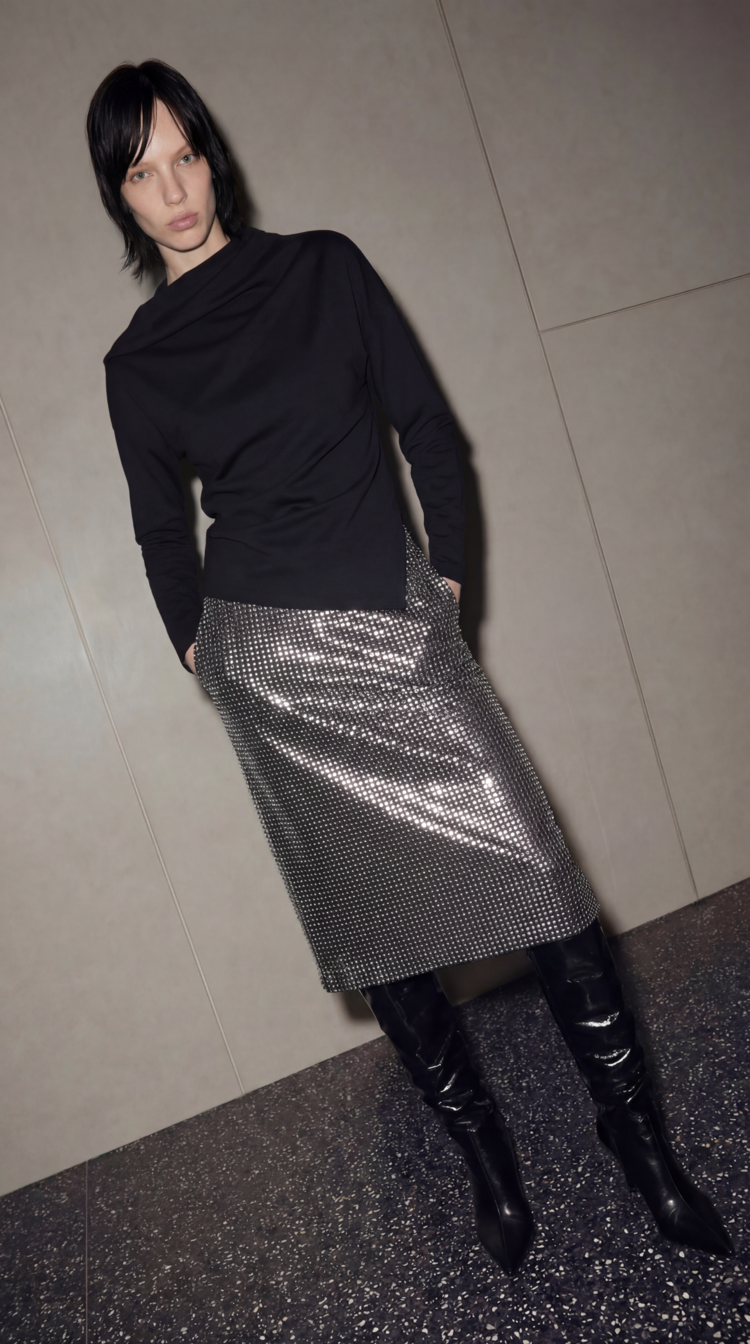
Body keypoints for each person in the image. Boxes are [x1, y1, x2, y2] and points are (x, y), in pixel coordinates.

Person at [86, 59, 732, 1275]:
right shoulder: (138, 365)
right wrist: (202, 649)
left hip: (393, 625)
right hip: (274, 672)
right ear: (117, 196)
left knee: (547, 888)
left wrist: (449, 587)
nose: (173, 189)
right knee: (379, 937)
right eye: (141, 172)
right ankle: (487, 1160)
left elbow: (429, 428)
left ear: (213, 155)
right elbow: (162, 532)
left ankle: (640, 1146)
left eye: (185, 155)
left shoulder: (324, 269)